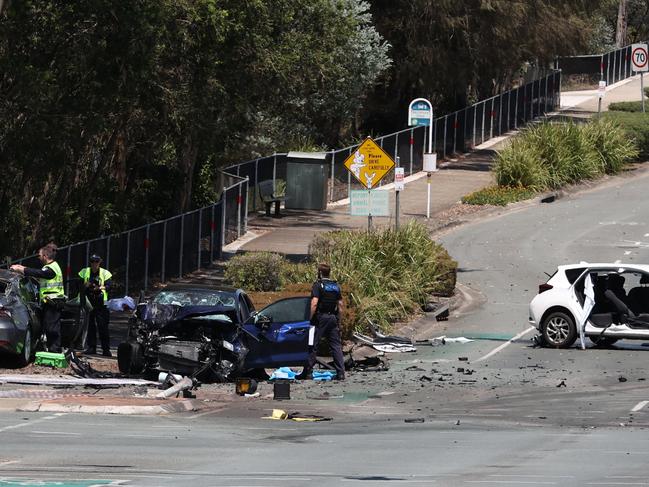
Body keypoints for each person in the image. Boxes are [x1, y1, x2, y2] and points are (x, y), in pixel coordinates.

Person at [10, 243, 65, 353]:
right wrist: (21, 267)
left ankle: (54, 351)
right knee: (49, 327)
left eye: (39, 255)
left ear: (45, 256)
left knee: (52, 328)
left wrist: (22, 270)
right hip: (51, 301)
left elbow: (39, 273)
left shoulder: (51, 268)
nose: (39, 258)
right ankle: (52, 350)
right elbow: (39, 273)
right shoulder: (51, 267)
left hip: (54, 301)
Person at [300, 263, 345, 380]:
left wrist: (309, 318)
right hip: (333, 318)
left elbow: (314, 303)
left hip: (320, 319)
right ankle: (341, 373)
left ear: (320, 273)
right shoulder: (335, 286)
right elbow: (340, 304)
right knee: (336, 346)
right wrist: (339, 319)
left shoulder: (318, 285)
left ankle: (308, 372)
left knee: (312, 345)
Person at [78, 254, 113, 357]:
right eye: (92, 262)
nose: (94, 264)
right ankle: (91, 347)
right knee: (90, 326)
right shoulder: (84, 272)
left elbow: (109, 286)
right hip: (89, 303)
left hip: (101, 304)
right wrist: (86, 285)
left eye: (96, 262)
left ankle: (106, 349)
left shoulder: (105, 273)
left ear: (99, 262)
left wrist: (99, 288)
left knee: (103, 327)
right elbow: (78, 284)